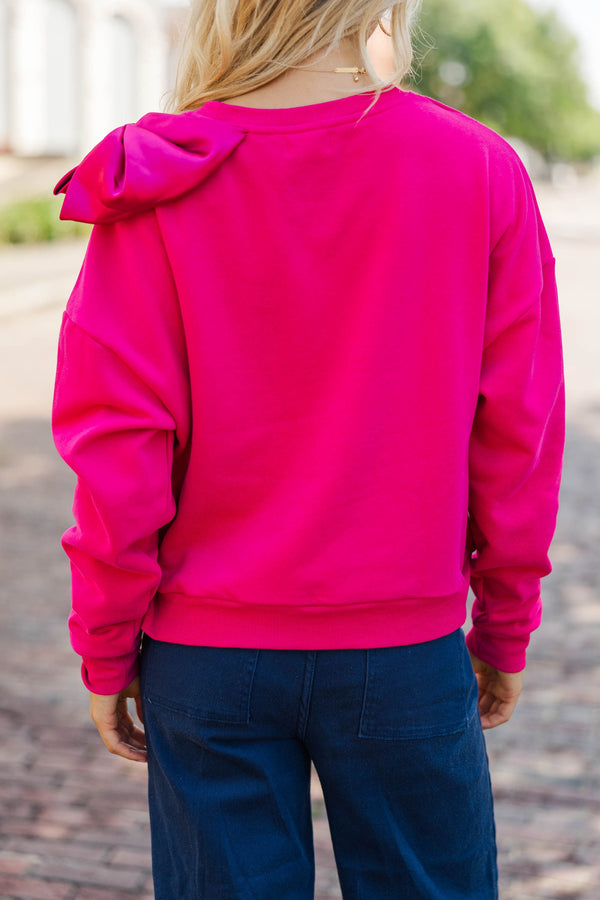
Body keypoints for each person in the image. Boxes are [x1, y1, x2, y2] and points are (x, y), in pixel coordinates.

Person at [51, 1, 565, 897]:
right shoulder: (477, 166)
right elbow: (519, 431)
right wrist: (505, 621)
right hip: (404, 651)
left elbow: (116, 448)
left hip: (206, 661)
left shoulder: (161, 178)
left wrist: (106, 640)